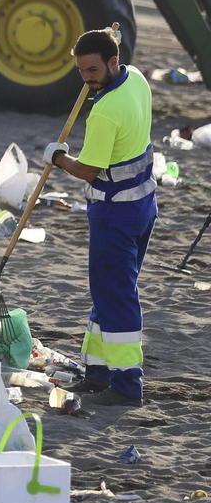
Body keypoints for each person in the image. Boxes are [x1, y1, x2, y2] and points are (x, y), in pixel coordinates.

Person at [43, 28, 154, 405]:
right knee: (109, 291)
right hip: (143, 207)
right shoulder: (136, 79)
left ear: (113, 61)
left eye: (92, 69)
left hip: (115, 214)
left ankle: (126, 385)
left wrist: (57, 158)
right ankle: (96, 372)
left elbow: (89, 170)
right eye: (81, 71)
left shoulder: (105, 111)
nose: (87, 78)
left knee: (118, 296)